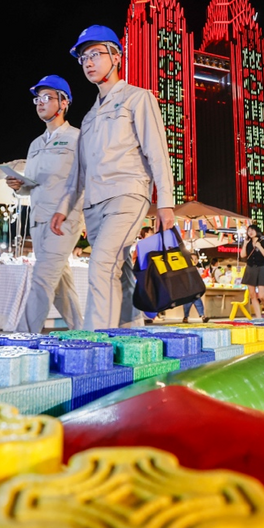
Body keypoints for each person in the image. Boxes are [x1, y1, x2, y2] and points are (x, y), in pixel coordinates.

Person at [51, 25, 176, 330]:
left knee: (101, 265)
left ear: (117, 56)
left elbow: (157, 152)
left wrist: (166, 202)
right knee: (118, 273)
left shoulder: (138, 98)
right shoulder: (89, 117)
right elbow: (80, 173)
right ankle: (131, 337)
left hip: (128, 195)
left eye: (95, 54)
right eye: (83, 58)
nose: (88, 62)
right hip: (94, 205)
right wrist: (64, 208)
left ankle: (97, 344)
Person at [6, 74, 84, 333]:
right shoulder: (35, 144)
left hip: (63, 221)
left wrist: (75, 214)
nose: (40, 103)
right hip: (38, 221)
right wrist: (20, 186)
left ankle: (21, 338)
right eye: (37, 98)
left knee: (41, 280)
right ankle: (82, 334)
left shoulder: (77, 138)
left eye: (47, 97)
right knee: (61, 285)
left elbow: (84, 180)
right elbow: (34, 184)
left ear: (63, 103)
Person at [240, 224, 264, 319]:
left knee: (261, 295)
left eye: (252, 230)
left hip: (261, 268)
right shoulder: (247, 242)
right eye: (249, 230)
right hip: (250, 268)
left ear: (257, 231)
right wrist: (245, 244)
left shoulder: (263, 242)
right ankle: (258, 317)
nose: (250, 232)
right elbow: (242, 255)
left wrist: (259, 247)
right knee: (252, 295)